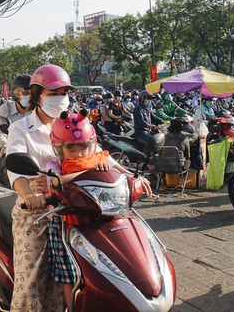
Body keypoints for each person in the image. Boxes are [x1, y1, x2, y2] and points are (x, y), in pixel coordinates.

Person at [45, 109, 153, 310]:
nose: (79, 153)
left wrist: (138, 178)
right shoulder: (56, 165)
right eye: (71, 148)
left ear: (92, 144)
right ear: (59, 148)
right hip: (65, 221)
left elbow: (123, 172)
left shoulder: (99, 156)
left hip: (101, 217)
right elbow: (54, 181)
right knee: (69, 273)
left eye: (83, 147)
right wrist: (89, 170)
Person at [6, 64, 74, 312]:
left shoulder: (71, 125)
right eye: (52, 94)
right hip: (38, 209)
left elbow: (95, 151)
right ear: (36, 96)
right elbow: (15, 166)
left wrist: (129, 176)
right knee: (32, 282)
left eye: (63, 93)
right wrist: (29, 195)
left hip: (74, 206)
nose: (59, 99)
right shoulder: (21, 128)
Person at [0, 74, 31, 186]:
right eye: (25, 93)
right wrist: (9, 149)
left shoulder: (39, 111)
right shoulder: (2, 112)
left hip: (35, 155)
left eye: (31, 93)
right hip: (9, 157)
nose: (28, 97)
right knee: (17, 180)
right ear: (16, 94)